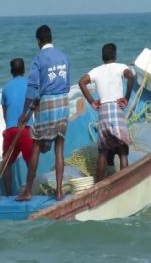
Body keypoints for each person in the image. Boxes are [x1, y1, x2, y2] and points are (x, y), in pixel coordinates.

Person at [16, 25, 70, 201]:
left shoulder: (38, 59)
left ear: (39, 42)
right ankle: (59, 191)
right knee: (59, 146)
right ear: (51, 39)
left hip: (47, 104)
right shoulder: (63, 57)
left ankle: (28, 191)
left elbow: (32, 88)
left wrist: (24, 114)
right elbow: (67, 85)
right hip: (63, 102)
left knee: (37, 147)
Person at [78, 43, 134, 182]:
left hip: (102, 111)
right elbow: (131, 76)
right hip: (116, 109)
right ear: (115, 56)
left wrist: (92, 101)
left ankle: (99, 185)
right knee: (122, 150)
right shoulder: (121, 67)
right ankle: (124, 182)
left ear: (102, 57)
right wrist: (126, 98)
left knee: (103, 151)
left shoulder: (96, 71)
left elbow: (81, 82)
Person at [1, 58, 34, 196]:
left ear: (11, 71)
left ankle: (8, 193)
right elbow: (35, 107)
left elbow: (5, 113)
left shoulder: (6, 88)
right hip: (25, 129)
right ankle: (29, 191)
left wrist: (11, 127)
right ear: (24, 70)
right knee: (31, 161)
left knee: (6, 163)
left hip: (10, 130)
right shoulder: (30, 85)